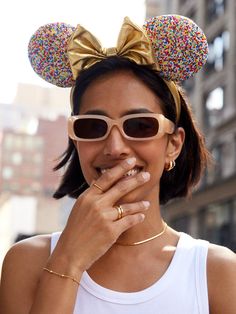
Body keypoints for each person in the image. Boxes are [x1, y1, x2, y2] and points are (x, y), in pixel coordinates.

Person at [0, 15, 235, 314]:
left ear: (173, 144)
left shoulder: (216, 271)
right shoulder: (27, 261)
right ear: (76, 140)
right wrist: (68, 261)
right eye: (93, 127)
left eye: (138, 125)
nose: (115, 147)